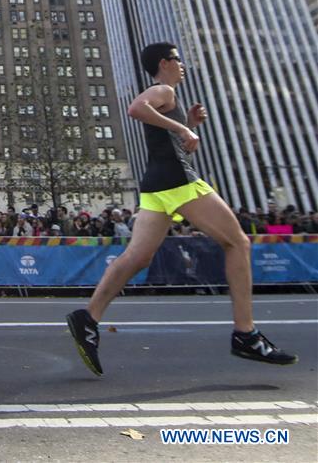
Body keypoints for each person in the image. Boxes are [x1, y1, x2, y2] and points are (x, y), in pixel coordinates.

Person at [66, 41, 298, 375]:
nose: (182, 64)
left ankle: (87, 318)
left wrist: (187, 123)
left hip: (157, 187)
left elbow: (168, 144)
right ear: (165, 63)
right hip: (178, 184)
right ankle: (246, 334)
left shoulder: (169, 98)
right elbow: (135, 109)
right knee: (238, 243)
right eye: (178, 59)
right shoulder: (162, 90)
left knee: (137, 257)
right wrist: (183, 127)